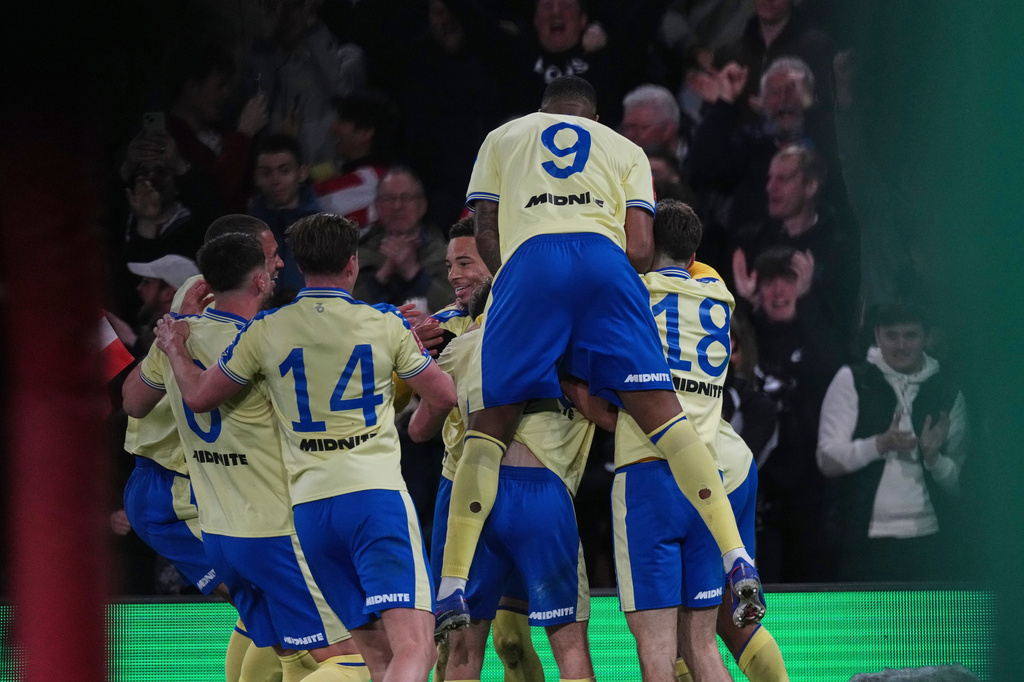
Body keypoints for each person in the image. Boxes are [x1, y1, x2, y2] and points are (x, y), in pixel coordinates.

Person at [435, 76, 761, 643]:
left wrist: (524, 293)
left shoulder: (503, 136)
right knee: (668, 420)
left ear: (543, 110)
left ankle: (451, 585)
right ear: (595, 116)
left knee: (488, 431)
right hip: (605, 265)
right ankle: (738, 558)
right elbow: (640, 248)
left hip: (529, 264)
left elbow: (485, 230)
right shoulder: (626, 148)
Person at [155, 213, 457, 682]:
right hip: (373, 500)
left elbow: (197, 395)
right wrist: (414, 418)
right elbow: (444, 396)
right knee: (416, 650)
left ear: (298, 265)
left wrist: (175, 345)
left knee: (376, 659)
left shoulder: (265, 329)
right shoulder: (383, 323)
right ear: (353, 263)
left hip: (311, 513)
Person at [123, 232, 370, 681]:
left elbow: (133, 402)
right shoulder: (265, 343)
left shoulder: (176, 338)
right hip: (273, 528)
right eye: (272, 261)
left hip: (222, 533)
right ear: (258, 280)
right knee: (353, 658)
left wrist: (174, 338)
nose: (279, 268)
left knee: (285, 646)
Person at [608, 200, 787, 682]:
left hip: (648, 477)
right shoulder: (718, 297)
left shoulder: (631, 295)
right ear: (692, 255)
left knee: (657, 650)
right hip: (711, 480)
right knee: (704, 644)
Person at [417, 280, 597, 682]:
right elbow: (608, 415)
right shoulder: (568, 345)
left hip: (474, 495)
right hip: (543, 496)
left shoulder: (461, 347)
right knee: (570, 649)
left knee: (462, 651)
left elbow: (419, 428)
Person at [411, 220, 545, 682]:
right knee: (451, 644)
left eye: (464, 262)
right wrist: (406, 357)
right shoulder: (435, 330)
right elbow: (415, 424)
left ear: (497, 261)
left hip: (523, 489)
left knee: (512, 643)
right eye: (449, 265)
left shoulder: (537, 323)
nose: (453, 275)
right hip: (459, 487)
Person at [817, 301, 967, 582]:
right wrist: (880, 444)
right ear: (877, 335)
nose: (900, 345)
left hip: (930, 542)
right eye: (891, 335)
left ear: (927, 337)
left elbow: (961, 485)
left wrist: (934, 459)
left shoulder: (947, 392)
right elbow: (827, 460)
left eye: (910, 336)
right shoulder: (853, 380)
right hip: (862, 542)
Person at [732, 144, 860, 343]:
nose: (770, 188)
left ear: (810, 187)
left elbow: (839, 327)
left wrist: (805, 299)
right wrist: (748, 303)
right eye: (770, 178)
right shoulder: (751, 241)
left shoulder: (838, 248)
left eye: (782, 179)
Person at [239, 0, 366, 169]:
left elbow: (341, 90)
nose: (284, 14)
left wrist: (313, 26)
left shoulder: (347, 56)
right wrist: (265, 42)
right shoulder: (267, 59)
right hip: (278, 173)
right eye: (272, 7)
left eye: (294, 6)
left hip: (327, 171)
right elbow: (256, 101)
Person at [353, 167, 452, 315]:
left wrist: (414, 273)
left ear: (422, 205)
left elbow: (459, 309)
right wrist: (383, 275)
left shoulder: (447, 255)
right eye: (389, 198)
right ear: (377, 207)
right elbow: (346, 312)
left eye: (406, 198)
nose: (397, 206)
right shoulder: (358, 257)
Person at [248, 133, 323, 298]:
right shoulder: (246, 232)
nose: (275, 180)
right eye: (266, 173)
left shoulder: (324, 229)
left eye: (285, 171)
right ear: (256, 178)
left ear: (302, 172)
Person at [313, 92, 398, 228]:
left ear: (365, 133)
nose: (333, 127)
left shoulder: (371, 182)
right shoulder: (381, 176)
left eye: (342, 121)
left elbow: (295, 202)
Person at [621, 84, 686, 166]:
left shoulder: (696, 161)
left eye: (641, 128)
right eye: (626, 128)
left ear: (668, 130)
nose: (629, 135)